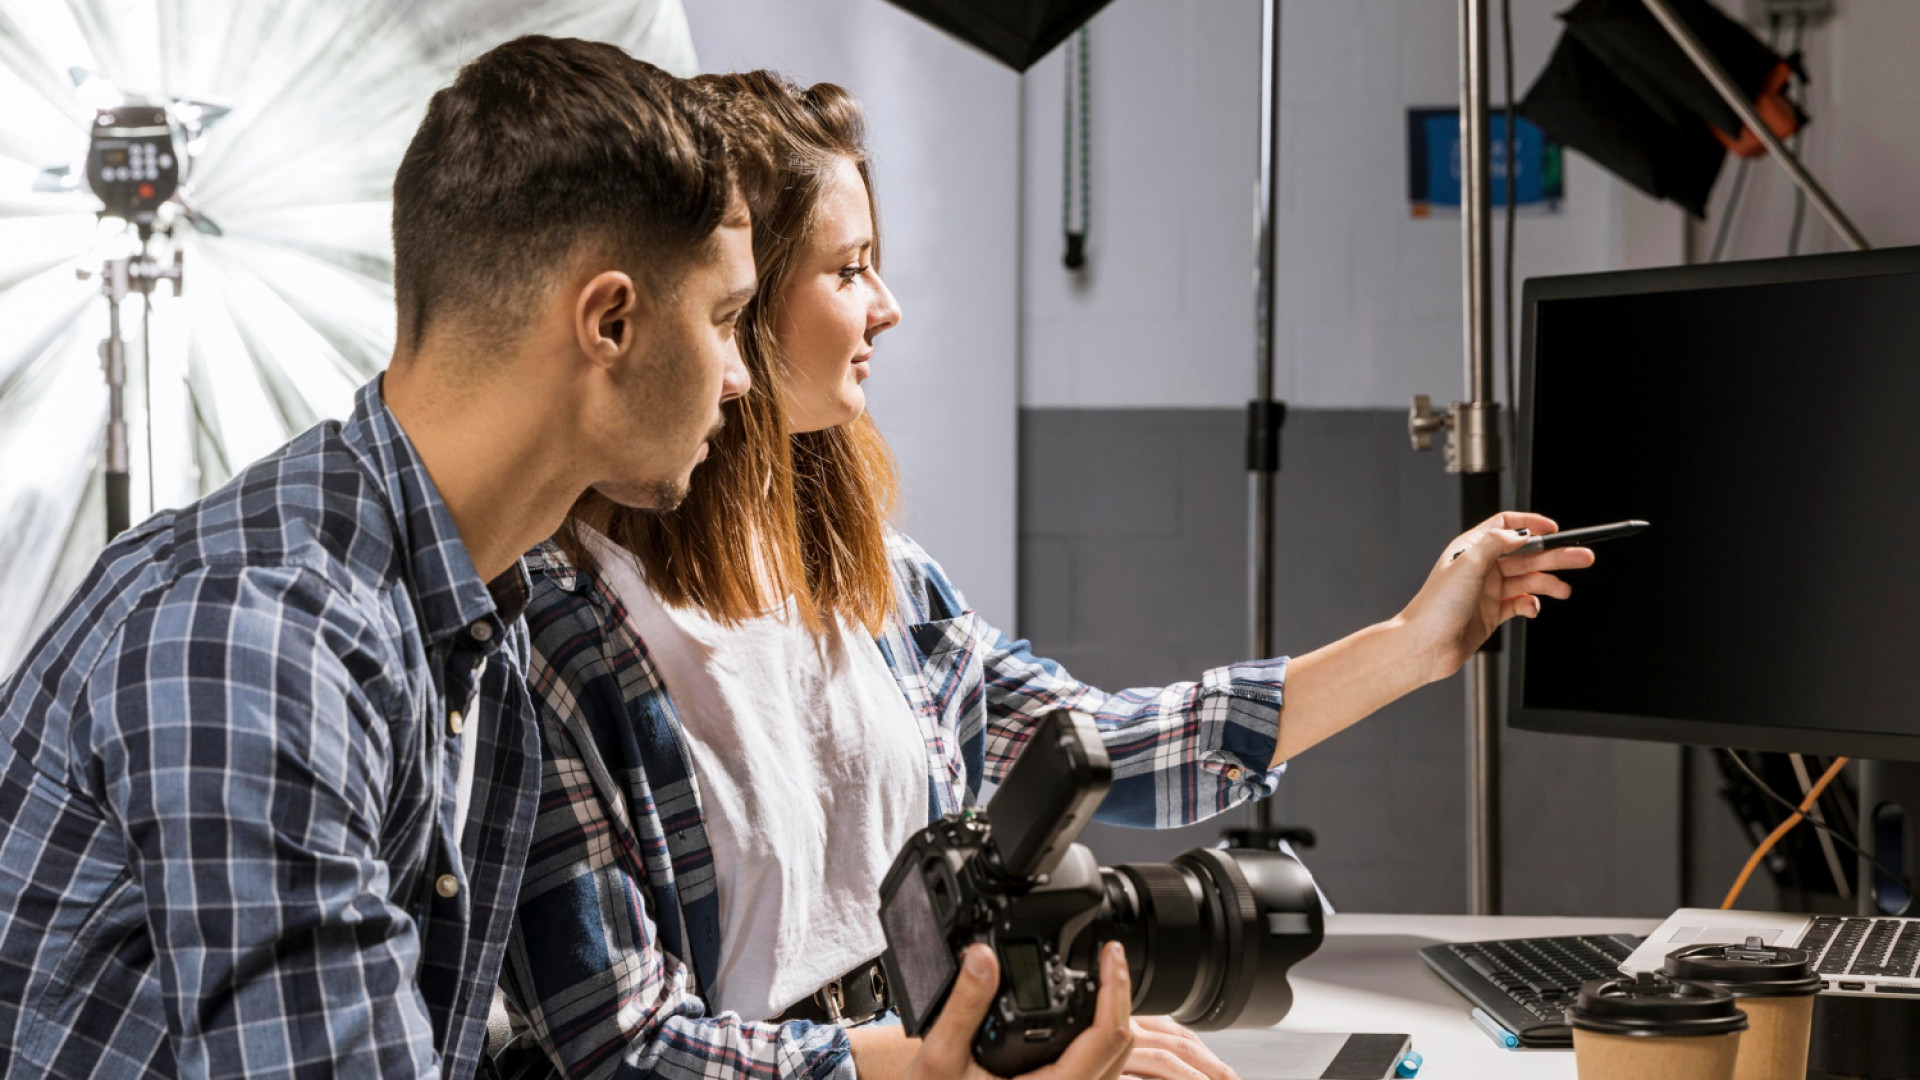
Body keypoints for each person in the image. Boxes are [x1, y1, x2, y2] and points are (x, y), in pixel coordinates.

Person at [498, 71, 1593, 1080]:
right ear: (732, 294)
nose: (884, 305)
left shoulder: (873, 581)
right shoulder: (564, 633)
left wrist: (1416, 643)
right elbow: (624, 1049)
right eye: (847, 269)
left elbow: (1104, 751)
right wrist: (941, 1068)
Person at [0, 36, 758, 1079]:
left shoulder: (478, 610)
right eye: (725, 320)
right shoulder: (261, 640)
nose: (741, 377)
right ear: (612, 321)